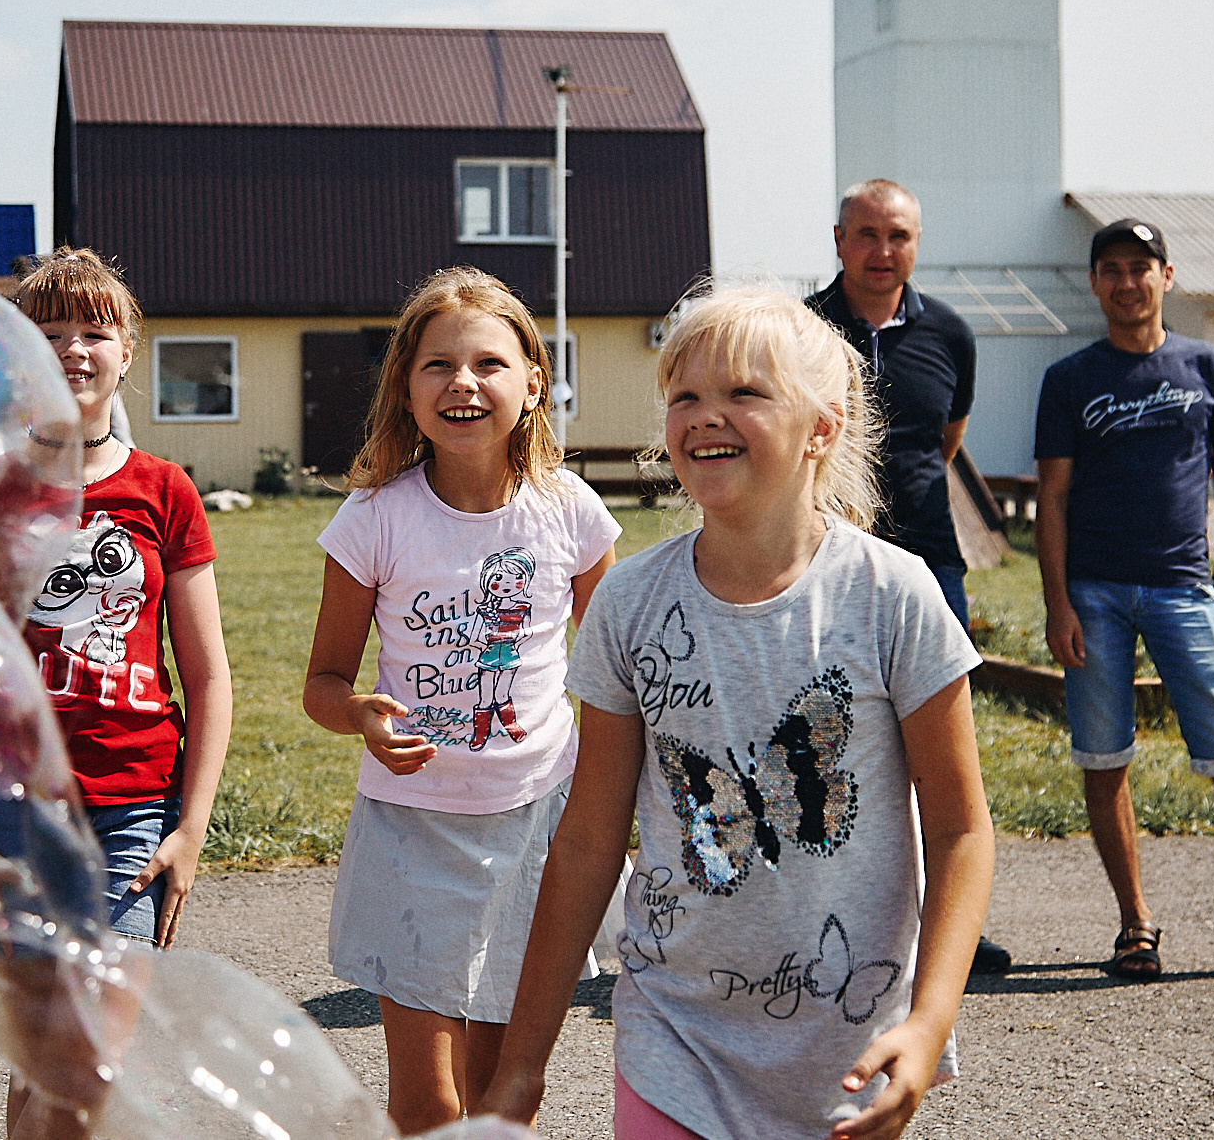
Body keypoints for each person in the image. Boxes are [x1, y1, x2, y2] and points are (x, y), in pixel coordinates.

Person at [481, 286, 994, 1140]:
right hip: (674, 1040)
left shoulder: (892, 597)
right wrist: (520, 1069)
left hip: (848, 1053)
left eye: (743, 394)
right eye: (684, 395)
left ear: (821, 428)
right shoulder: (629, 604)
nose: (704, 416)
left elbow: (960, 831)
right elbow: (587, 842)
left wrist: (928, 1021)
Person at [301, 266, 620, 1134]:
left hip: (533, 826)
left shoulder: (572, 514)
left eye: (488, 362)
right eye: (437, 364)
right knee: (430, 1095)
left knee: (501, 1086)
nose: (464, 382)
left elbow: (618, 674)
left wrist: (608, 791)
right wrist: (361, 713)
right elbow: (321, 684)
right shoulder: (373, 519)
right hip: (411, 827)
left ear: (533, 381)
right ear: (406, 387)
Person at [0, 246, 237, 1138]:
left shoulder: (164, 491)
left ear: (128, 350)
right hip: (10, 810)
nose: (73, 349)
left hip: (135, 811)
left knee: (84, 1062)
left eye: (94, 330)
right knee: (42, 1065)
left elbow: (209, 673)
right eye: (48, 332)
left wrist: (191, 827)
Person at [1034, 218, 1214, 991]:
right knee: (1103, 755)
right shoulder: (1069, 379)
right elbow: (1051, 497)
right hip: (1093, 591)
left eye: (1141, 266)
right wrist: (1057, 601)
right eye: (1112, 269)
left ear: (1167, 274)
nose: (1127, 281)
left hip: (1182, 587)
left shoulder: (1207, 366)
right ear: (1096, 283)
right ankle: (1135, 923)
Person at [807, 178, 1010, 980]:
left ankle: (947, 924)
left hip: (929, 561)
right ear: (838, 238)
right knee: (831, 743)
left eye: (899, 236)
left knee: (939, 753)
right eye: (867, 234)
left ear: (916, 243)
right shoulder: (803, 329)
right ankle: (839, 918)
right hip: (824, 565)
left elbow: (947, 437)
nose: (883, 251)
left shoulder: (952, 334)